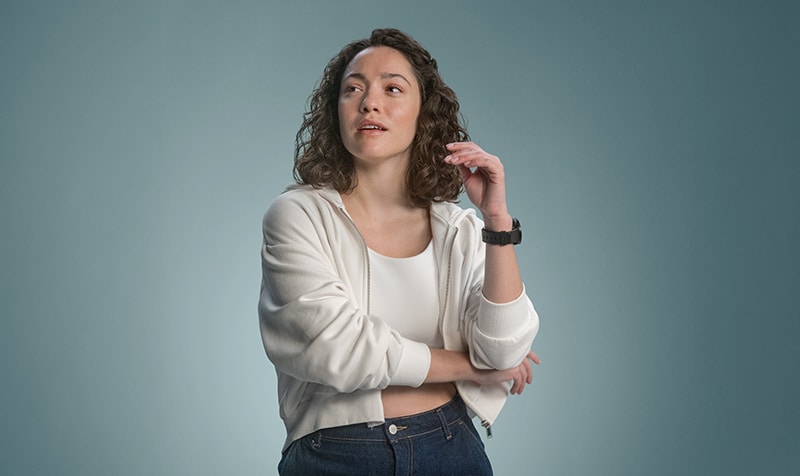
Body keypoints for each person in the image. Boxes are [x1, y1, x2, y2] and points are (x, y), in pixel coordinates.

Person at [259, 28, 540, 475]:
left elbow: (503, 354)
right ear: (337, 113)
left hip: (450, 444)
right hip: (337, 452)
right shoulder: (298, 215)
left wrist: (497, 222)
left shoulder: (458, 230)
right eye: (353, 89)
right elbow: (339, 347)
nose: (370, 102)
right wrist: (468, 368)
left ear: (421, 114)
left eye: (392, 88)